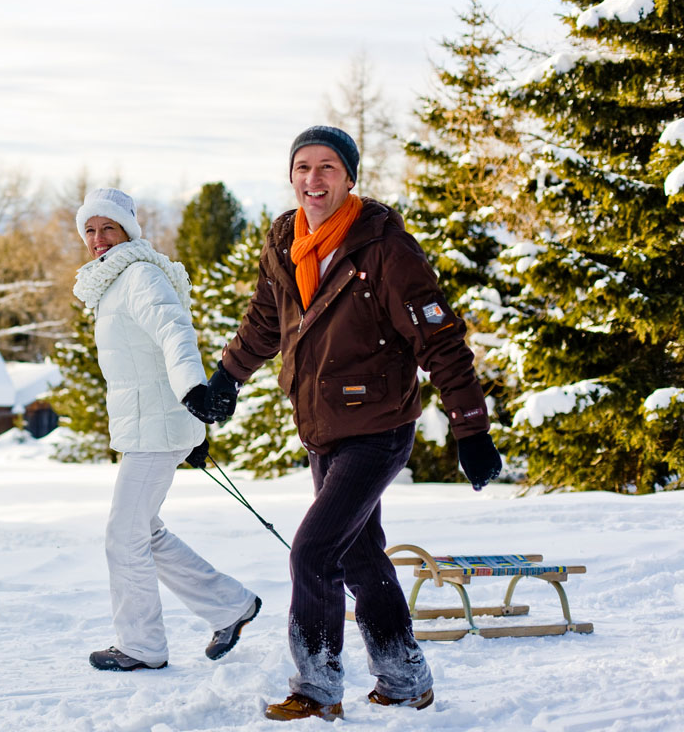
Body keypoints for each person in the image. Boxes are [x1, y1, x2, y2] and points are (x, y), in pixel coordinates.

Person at [201, 126, 503, 721]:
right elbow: (267, 318)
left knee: (313, 552)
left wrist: (471, 427)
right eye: (303, 168)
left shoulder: (385, 249)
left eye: (328, 168)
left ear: (350, 177)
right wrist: (226, 378)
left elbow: (440, 341)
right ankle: (403, 677)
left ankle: (316, 687)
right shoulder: (287, 238)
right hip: (321, 425)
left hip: (380, 427)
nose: (314, 180)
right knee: (361, 559)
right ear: (291, 177)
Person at [72, 186, 261, 672]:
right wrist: (189, 429)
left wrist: (194, 396)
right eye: (90, 229)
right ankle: (229, 606)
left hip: (156, 426)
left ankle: (142, 645)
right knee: (144, 530)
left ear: (128, 230)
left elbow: (173, 331)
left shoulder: (138, 274)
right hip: (151, 425)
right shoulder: (114, 281)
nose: (97, 238)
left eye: (107, 227)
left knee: (124, 534)